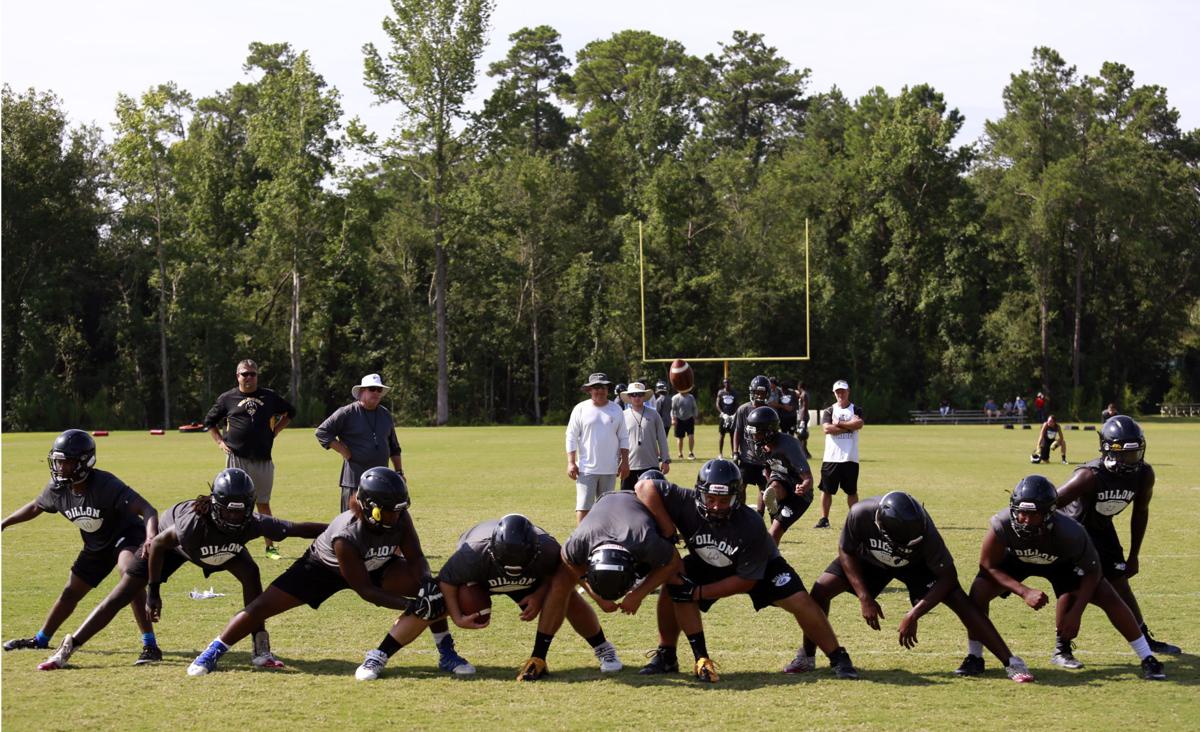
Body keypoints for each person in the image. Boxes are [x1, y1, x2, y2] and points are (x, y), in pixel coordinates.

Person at [185, 467, 472, 679]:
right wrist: (411, 605)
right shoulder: (346, 536)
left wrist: (423, 584)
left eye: (399, 510)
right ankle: (213, 651)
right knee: (262, 607)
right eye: (389, 511)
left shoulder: (398, 515)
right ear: (370, 507)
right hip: (322, 568)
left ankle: (446, 653)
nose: (395, 516)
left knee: (433, 590)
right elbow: (365, 591)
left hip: (375, 565)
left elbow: (416, 557)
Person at [34, 469, 326, 670]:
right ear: (214, 505)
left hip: (221, 549)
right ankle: (68, 648)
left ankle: (261, 650)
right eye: (229, 510)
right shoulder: (191, 526)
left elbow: (298, 528)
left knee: (250, 573)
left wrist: (338, 529)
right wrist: (153, 591)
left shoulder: (252, 523)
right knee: (120, 596)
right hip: (173, 548)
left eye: (242, 510)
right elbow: (159, 544)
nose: (236, 517)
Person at [633, 460, 859, 681]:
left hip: (761, 567)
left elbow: (746, 580)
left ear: (737, 498)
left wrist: (699, 592)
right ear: (698, 492)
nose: (715, 506)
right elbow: (644, 487)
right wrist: (667, 529)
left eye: (724, 500)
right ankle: (670, 655)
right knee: (674, 584)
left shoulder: (750, 523)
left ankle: (838, 656)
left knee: (800, 600)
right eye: (710, 498)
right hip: (706, 560)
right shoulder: (685, 501)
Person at [800, 492, 1034, 682]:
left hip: (915, 566)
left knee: (959, 599)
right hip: (871, 560)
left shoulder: (925, 529)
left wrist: (914, 614)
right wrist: (864, 597)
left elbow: (948, 578)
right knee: (821, 589)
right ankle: (807, 656)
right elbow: (846, 550)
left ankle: (1011, 661)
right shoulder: (860, 513)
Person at [961, 476, 1166, 680]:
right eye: (1021, 512)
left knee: (1107, 595)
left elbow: (1093, 572)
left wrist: (1076, 612)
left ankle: (1147, 657)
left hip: (1061, 563)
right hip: (1017, 561)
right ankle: (975, 656)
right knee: (979, 591)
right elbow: (987, 566)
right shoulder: (1002, 523)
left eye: (1033, 514)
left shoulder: (1071, 532)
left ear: (1049, 513)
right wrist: (1024, 591)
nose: (1024, 519)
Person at [2, 430, 160, 667]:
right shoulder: (58, 488)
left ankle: (150, 645)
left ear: (84, 462)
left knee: (130, 576)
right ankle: (41, 639)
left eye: (66, 462)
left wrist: (150, 538)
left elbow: (148, 510)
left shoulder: (106, 484)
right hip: (96, 546)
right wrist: (4, 522)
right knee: (70, 592)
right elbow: (36, 506)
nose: (60, 468)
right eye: (58, 461)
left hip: (125, 537)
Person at [437, 514, 635, 681]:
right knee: (440, 598)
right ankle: (446, 651)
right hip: (483, 577)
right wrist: (457, 617)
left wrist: (540, 596)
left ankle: (602, 648)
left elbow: (562, 575)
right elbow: (446, 581)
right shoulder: (472, 552)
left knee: (567, 595)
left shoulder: (548, 547)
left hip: (530, 577)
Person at [1054, 415, 1181, 657]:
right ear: (1108, 450)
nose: (1131, 460)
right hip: (1074, 531)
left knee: (1120, 584)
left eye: (1135, 454)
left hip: (1102, 528)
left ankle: (1144, 638)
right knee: (1072, 586)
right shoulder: (1089, 475)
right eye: (1124, 454)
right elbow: (1053, 502)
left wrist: (1134, 555)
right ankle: (1062, 648)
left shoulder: (1144, 475)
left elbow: (1140, 513)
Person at [522, 493, 686, 681]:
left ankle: (675, 654)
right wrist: (596, 596)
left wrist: (638, 594)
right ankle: (539, 656)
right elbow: (567, 558)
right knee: (561, 580)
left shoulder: (645, 540)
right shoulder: (580, 541)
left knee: (679, 577)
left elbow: (673, 561)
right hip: (605, 510)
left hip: (642, 502)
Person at [204, 358, 295, 560]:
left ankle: (270, 547)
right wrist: (220, 442)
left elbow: (291, 412)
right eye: (245, 373)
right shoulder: (227, 398)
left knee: (263, 503)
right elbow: (209, 421)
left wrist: (276, 430)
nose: (249, 377)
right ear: (238, 376)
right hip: (237, 458)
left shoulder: (269, 397)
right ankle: (229, 545)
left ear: (257, 376)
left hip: (263, 459)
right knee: (232, 503)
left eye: (253, 373)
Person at [315, 373, 404, 512]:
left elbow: (394, 447)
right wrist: (342, 450)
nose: (376, 392)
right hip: (354, 482)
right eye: (372, 389)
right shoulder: (347, 412)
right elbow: (322, 431)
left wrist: (399, 472)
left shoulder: (385, 414)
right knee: (351, 524)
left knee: (378, 525)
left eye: (379, 390)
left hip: (380, 482)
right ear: (362, 391)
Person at [565, 373, 630, 525]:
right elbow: (571, 436)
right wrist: (571, 462)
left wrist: (625, 462)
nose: (599, 391)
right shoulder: (580, 409)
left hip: (610, 469)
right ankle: (582, 542)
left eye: (603, 387)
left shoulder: (616, 410)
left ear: (607, 389)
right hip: (586, 469)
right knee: (584, 508)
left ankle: (604, 541)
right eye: (596, 387)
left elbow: (624, 437)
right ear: (589, 390)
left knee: (608, 509)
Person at [746, 407, 814, 544]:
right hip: (780, 481)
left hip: (798, 493)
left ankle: (770, 562)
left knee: (774, 534)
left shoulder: (789, 445)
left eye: (756, 433)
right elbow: (767, 467)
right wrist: (769, 481)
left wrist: (803, 487)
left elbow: (808, 478)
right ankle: (773, 502)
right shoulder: (760, 445)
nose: (753, 437)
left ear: (768, 431)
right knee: (773, 487)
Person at [813, 380, 864, 529]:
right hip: (831, 457)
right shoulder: (829, 410)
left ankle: (856, 520)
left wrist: (839, 424)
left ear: (848, 391)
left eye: (843, 391)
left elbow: (859, 424)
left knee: (852, 491)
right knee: (826, 490)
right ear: (834, 393)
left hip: (850, 457)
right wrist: (849, 427)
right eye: (838, 392)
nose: (840, 394)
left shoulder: (856, 409)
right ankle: (824, 519)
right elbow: (827, 429)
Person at [731, 375, 773, 514]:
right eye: (757, 392)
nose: (760, 396)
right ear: (752, 392)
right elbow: (737, 431)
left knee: (764, 488)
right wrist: (735, 452)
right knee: (741, 486)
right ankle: (741, 513)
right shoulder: (743, 409)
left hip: (763, 458)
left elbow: (774, 435)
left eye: (762, 393)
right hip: (746, 457)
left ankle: (759, 516)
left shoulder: (769, 412)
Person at [619, 382, 671, 491]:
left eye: (640, 394)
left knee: (652, 499)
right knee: (627, 500)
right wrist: (617, 463)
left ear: (644, 396)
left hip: (651, 465)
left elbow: (662, 438)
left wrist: (665, 460)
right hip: (629, 466)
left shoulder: (654, 414)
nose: (637, 397)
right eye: (633, 394)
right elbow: (617, 442)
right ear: (629, 397)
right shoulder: (622, 416)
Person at [670, 386, 699, 461]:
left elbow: (695, 407)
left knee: (691, 437)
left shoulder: (691, 397)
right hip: (679, 420)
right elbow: (673, 409)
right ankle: (680, 454)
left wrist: (695, 417)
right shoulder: (675, 398)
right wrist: (673, 419)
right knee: (680, 438)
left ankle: (691, 453)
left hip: (689, 419)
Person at [714, 378, 739, 458]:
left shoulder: (734, 393)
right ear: (723, 383)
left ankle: (733, 452)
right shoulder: (721, 392)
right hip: (723, 417)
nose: (726, 384)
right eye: (725, 382)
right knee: (722, 435)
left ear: (730, 383)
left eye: (728, 382)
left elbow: (737, 404)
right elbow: (717, 404)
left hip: (732, 417)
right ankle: (720, 453)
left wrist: (734, 414)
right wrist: (722, 413)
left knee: (732, 435)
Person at [796, 381, 812, 459]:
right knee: (801, 435)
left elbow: (805, 406)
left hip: (803, 417)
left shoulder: (804, 394)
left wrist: (802, 419)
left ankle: (804, 453)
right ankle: (805, 452)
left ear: (799, 387)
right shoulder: (804, 394)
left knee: (802, 435)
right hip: (802, 416)